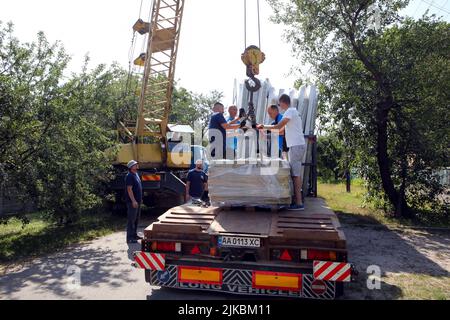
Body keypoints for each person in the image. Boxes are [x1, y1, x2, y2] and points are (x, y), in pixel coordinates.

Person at [257, 94, 306, 211]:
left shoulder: (290, 111)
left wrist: (263, 126)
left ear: (283, 102)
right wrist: (266, 133)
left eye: (279, 104)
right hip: (295, 146)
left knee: (295, 174)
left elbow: (278, 127)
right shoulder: (292, 113)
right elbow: (281, 132)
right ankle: (297, 200)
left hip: (295, 146)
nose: (279, 106)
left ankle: (299, 203)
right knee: (294, 173)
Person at [125, 160, 143, 243]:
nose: (137, 165)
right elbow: (129, 190)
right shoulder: (129, 176)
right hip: (133, 201)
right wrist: (133, 201)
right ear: (131, 167)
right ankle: (129, 238)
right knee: (131, 220)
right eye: (135, 165)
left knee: (136, 219)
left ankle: (134, 235)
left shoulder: (136, 174)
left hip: (138, 201)